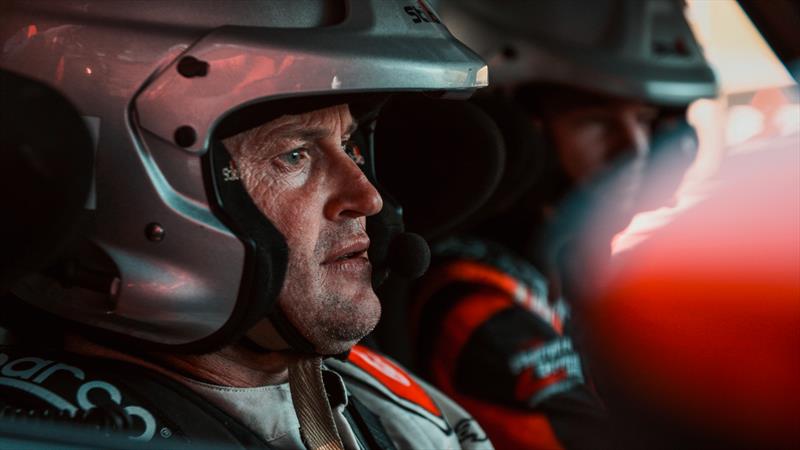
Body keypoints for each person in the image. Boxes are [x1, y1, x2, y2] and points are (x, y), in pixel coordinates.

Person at [0, 1, 494, 448]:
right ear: (140, 183)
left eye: (350, 145)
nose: (366, 197)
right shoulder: (49, 428)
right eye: (293, 155)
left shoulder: (395, 402)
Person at [399, 0, 718, 449]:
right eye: (597, 123)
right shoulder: (477, 303)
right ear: (524, 136)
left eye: (646, 122)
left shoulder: (570, 273)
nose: (636, 151)